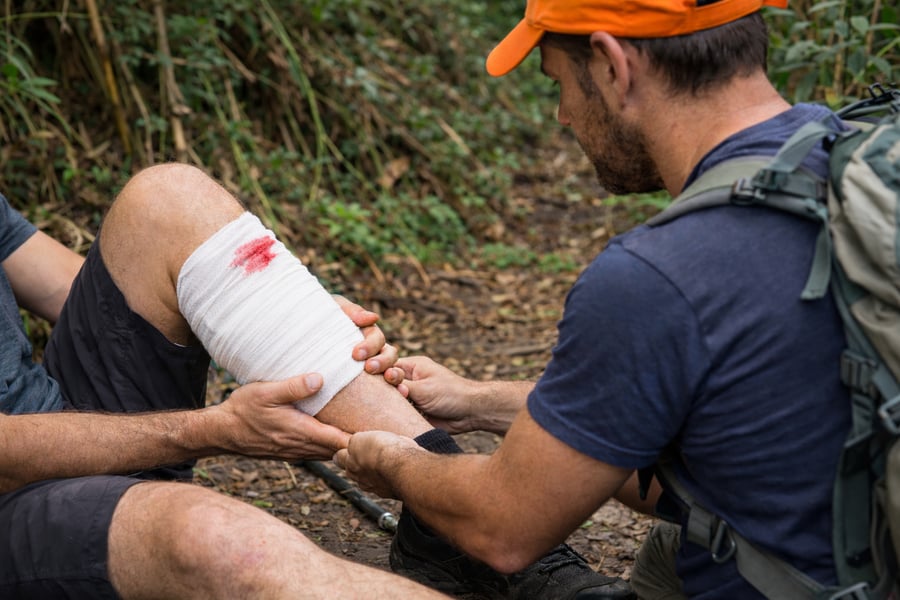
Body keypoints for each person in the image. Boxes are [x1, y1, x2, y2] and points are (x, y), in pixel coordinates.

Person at [335, 0, 855, 598]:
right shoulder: (855, 168)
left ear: (611, 63)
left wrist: (397, 463)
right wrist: (480, 402)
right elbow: (732, 453)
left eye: (558, 82)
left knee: (230, 546)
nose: (561, 115)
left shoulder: (657, 276)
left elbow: (502, 529)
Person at [0, 159, 631, 598]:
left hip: (62, 412)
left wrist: (270, 313)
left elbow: (89, 282)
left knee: (168, 198)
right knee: (213, 539)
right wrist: (204, 430)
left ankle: (449, 521)